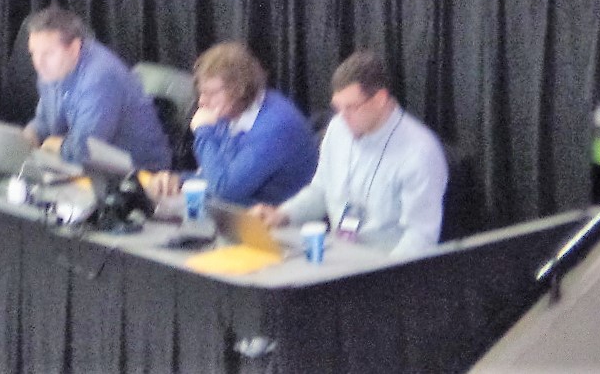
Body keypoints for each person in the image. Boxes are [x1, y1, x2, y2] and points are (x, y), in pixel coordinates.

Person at [253, 50, 447, 258]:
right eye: (338, 108)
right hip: (338, 254)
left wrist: (385, 273)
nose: (342, 117)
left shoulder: (419, 152)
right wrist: (282, 215)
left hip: (382, 263)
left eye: (351, 107)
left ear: (380, 99)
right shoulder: (338, 129)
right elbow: (321, 191)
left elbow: (420, 236)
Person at [147, 42, 317, 206]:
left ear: (239, 89)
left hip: (284, 220)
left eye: (211, 93)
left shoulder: (277, 126)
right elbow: (217, 174)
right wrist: (179, 180)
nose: (202, 102)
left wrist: (204, 131)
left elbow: (224, 190)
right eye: (201, 93)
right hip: (240, 212)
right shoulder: (230, 112)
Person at [23, 7, 172, 169]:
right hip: (93, 168)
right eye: (33, 53)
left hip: (140, 172)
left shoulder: (100, 78)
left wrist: (54, 144)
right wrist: (27, 138)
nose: (38, 63)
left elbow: (85, 151)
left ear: (74, 48)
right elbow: (45, 121)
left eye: (48, 54)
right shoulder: (51, 71)